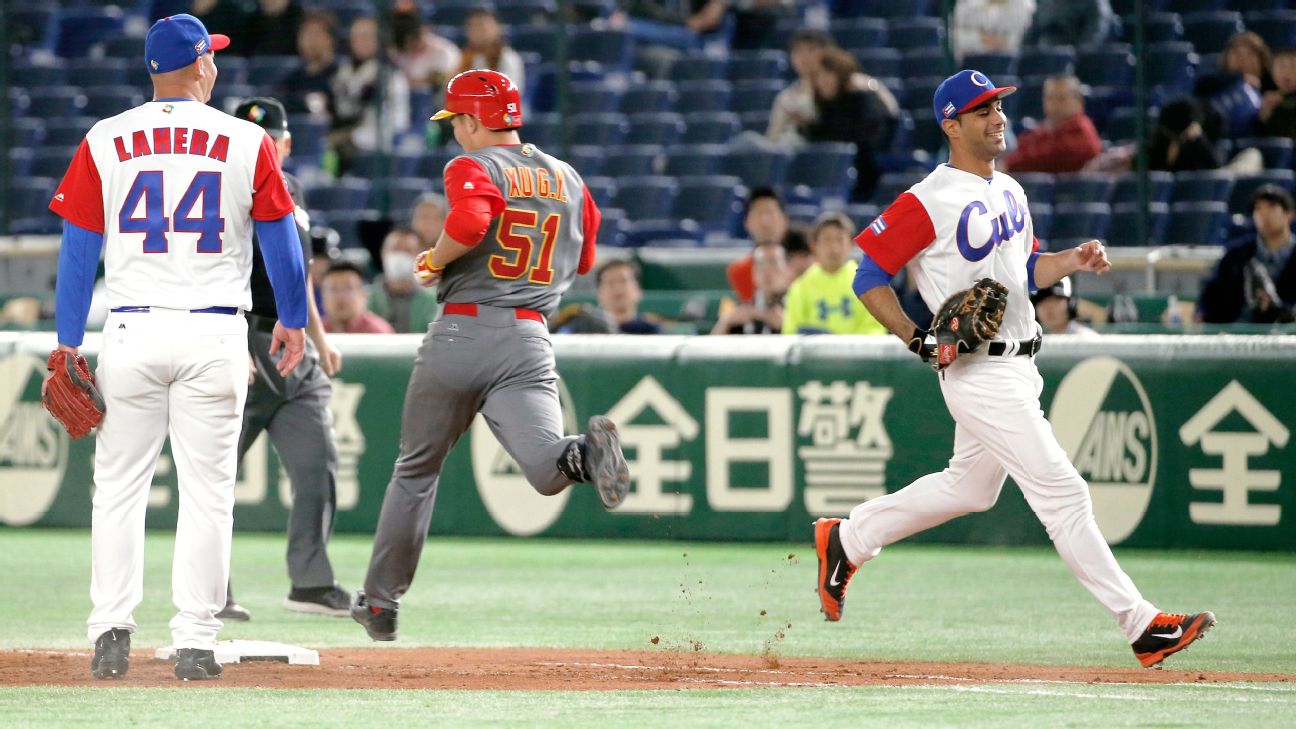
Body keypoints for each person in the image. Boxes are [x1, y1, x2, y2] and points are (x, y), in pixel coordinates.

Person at [817, 69, 1215, 669]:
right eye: (981, 110)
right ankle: (1141, 625)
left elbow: (1025, 273)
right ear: (951, 125)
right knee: (1064, 493)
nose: (997, 116)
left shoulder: (1010, 190)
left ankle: (847, 539)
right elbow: (868, 277)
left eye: (998, 105)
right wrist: (918, 339)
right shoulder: (928, 199)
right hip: (979, 373)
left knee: (969, 488)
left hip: (1022, 363)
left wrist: (1071, 261)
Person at [47, 15, 307, 681]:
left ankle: (110, 630)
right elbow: (282, 242)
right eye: (210, 56)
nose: (215, 64)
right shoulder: (247, 139)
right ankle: (194, 639)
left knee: (118, 489)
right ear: (201, 66)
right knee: (208, 492)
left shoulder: (105, 139)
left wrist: (68, 342)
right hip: (215, 331)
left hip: (131, 327)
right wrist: (295, 318)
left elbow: (78, 253)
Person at [349, 70, 632, 642]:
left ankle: (380, 605)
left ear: (475, 121)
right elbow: (584, 257)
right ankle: (585, 451)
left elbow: (473, 220)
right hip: (530, 338)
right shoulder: (568, 176)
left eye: (455, 120)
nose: (453, 131)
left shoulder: (472, 165)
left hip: (464, 331)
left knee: (416, 471)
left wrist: (433, 259)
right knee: (547, 468)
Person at [218, 97, 351, 623]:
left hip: (293, 348)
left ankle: (311, 584)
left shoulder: (292, 190)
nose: (262, 143)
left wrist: (321, 339)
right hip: (243, 341)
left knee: (318, 466)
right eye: (250, 135)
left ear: (286, 142)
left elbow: (300, 276)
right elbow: (216, 272)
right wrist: (231, 341)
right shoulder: (223, 188)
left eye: (268, 136)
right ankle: (212, 591)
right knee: (215, 477)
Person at [804, 47, 895, 201]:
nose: (823, 81)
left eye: (828, 74)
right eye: (818, 76)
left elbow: (867, 138)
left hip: (864, 173)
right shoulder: (824, 107)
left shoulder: (862, 99)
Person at [1197, 184, 1296, 324]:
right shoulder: (1235, 255)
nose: (1264, 214)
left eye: (1272, 207)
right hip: (1237, 334)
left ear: (1289, 214)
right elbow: (1211, 296)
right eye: (1258, 208)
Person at [782, 212, 886, 335]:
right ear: (814, 245)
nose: (834, 247)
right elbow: (790, 330)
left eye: (839, 239)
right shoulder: (801, 287)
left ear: (850, 245)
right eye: (827, 239)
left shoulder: (868, 285)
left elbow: (875, 329)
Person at [330, 16, 411, 166]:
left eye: (367, 37)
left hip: (383, 135)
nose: (361, 42)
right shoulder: (346, 70)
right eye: (356, 37)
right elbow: (344, 110)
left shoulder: (388, 72)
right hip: (358, 131)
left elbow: (359, 106)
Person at [999, 75, 1102, 174]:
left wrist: (1009, 164)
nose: (1054, 105)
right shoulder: (1042, 130)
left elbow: (1054, 156)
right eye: (1049, 98)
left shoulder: (1082, 130)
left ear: (1078, 101)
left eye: (1061, 99)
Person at [725, 187, 808, 303]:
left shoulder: (807, 267)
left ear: (784, 220)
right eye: (759, 213)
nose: (765, 221)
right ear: (747, 222)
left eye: (770, 212)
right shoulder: (740, 272)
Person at [369, 226, 441, 334]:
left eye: (408, 251)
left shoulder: (436, 301)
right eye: (395, 249)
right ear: (382, 252)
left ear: (420, 257)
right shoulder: (366, 299)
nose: (400, 256)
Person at [712, 235, 789, 335]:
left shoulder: (800, 305)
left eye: (773, 262)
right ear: (754, 273)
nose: (767, 271)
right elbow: (712, 346)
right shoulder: (742, 309)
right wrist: (725, 323)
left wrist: (787, 326)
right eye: (761, 264)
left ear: (787, 271)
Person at [277, 9, 338, 118]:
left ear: (330, 39)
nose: (309, 40)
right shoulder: (295, 78)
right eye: (305, 34)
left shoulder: (340, 74)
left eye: (316, 33)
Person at [389, 3, 461, 92]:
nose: (408, 31)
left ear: (426, 27)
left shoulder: (444, 51)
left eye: (413, 25)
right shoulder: (393, 51)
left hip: (434, 102)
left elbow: (444, 81)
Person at [455, 8, 526, 94]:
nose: (476, 31)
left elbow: (510, 94)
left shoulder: (507, 58)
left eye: (481, 26)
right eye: (471, 26)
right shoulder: (461, 57)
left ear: (497, 28)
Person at [320, 261, 396, 334]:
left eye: (348, 288)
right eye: (333, 289)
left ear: (363, 294)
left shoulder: (378, 332)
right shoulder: (316, 332)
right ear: (322, 295)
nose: (340, 296)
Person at [1147, 98, 1220, 173]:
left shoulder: (1196, 142)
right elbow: (1154, 175)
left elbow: (1214, 171)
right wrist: (1170, 160)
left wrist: (1199, 140)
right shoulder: (1161, 139)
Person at [951, 0, 1036, 62]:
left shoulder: (1024, 4)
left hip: (1008, 66)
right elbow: (953, 38)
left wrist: (1000, 42)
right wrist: (980, 39)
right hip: (968, 63)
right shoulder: (966, 4)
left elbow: (1018, 41)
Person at [596, 259, 662, 334]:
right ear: (599, 293)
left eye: (623, 281)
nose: (617, 288)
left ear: (638, 289)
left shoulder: (652, 331)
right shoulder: (589, 331)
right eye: (610, 283)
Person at [1025, 0, 1114, 49]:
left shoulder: (1094, 3)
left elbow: (1093, 34)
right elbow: (1031, 35)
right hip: (1043, 58)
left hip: (1075, 61)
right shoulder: (1045, 4)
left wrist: (1075, 56)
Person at [1031, 276, 1098, 336]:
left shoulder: (1087, 339)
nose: (1049, 307)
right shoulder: (1037, 341)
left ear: (1071, 304)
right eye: (1041, 301)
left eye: (1056, 300)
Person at [1257, 48, 1296, 139]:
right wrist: (1264, 116)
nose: (1286, 72)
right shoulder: (1265, 98)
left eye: (1293, 66)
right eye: (1281, 66)